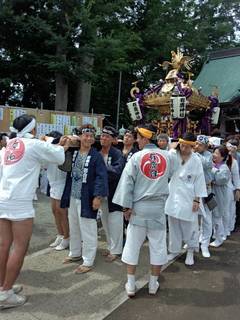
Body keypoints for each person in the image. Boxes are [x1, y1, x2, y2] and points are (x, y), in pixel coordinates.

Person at [0, 114, 68, 309]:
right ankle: (5, 293)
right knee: (20, 247)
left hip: (3, 198)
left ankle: (3, 287)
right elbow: (58, 156)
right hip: (20, 201)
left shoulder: (8, 146)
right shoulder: (34, 144)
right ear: (32, 129)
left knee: (4, 245)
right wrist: (62, 144)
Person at [113, 124, 173, 297]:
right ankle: (153, 284)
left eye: (138, 137)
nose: (136, 140)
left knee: (132, 246)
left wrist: (125, 207)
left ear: (145, 137)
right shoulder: (168, 157)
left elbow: (127, 183)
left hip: (138, 209)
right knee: (158, 247)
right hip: (158, 210)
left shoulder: (136, 157)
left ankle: (131, 285)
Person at [61, 124, 108, 273]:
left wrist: (98, 196)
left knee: (88, 228)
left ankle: (88, 260)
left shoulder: (96, 156)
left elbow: (102, 177)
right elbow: (58, 143)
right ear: (80, 136)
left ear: (94, 139)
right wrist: (67, 140)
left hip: (87, 197)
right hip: (73, 195)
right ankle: (75, 253)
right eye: (85, 135)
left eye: (91, 136)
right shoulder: (73, 152)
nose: (88, 138)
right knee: (74, 225)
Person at [165, 133, 207, 266]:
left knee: (190, 226)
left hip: (189, 196)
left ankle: (190, 250)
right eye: (182, 145)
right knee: (173, 225)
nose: (184, 148)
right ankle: (173, 250)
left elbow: (200, 181)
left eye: (188, 146)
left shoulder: (196, 159)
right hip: (173, 193)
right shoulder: (172, 154)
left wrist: (197, 200)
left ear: (193, 146)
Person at [99, 126, 125, 262]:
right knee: (105, 219)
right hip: (102, 192)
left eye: (107, 137)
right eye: (102, 136)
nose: (103, 138)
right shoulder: (97, 151)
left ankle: (116, 250)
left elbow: (117, 170)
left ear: (113, 140)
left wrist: (100, 168)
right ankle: (110, 246)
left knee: (115, 221)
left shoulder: (117, 153)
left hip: (114, 192)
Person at [45, 131, 69, 251]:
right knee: (54, 210)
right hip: (52, 182)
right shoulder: (49, 149)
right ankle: (60, 235)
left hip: (61, 182)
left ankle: (66, 237)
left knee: (62, 212)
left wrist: (61, 143)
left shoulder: (62, 149)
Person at [195, 135, 213, 258]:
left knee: (207, 218)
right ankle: (194, 241)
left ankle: (205, 244)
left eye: (200, 145)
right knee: (194, 217)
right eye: (196, 143)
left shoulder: (208, 155)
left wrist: (194, 153)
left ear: (206, 146)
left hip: (207, 190)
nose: (197, 146)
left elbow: (205, 165)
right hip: (194, 190)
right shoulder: (192, 154)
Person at [210, 146, 231, 247]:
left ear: (222, 157)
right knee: (212, 216)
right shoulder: (215, 165)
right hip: (212, 195)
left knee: (217, 216)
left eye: (217, 153)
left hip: (219, 196)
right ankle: (215, 235)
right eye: (214, 152)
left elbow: (219, 180)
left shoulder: (224, 168)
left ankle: (219, 238)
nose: (214, 154)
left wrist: (213, 170)